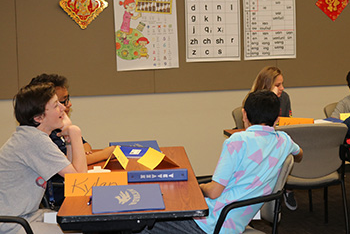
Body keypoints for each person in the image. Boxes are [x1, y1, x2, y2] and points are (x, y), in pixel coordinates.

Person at [138, 90, 303, 234]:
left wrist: (196, 188)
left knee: (141, 223)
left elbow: (214, 192)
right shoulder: (284, 141)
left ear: (244, 114)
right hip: (234, 222)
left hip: (212, 223)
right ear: (276, 119)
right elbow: (299, 154)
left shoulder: (238, 141)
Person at [0, 83, 87, 234]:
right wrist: (74, 131)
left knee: (78, 225)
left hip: (28, 215)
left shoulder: (31, 136)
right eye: (55, 105)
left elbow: (73, 174)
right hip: (12, 223)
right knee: (80, 228)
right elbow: (80, 182)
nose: (63, 108)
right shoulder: (34, 141)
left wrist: (68, 140)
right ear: (39, 117)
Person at [29, 73, 115, 208]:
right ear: (39, 113)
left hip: (66, 192)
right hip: (57, 198)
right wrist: (106, 153)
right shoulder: (39, 140)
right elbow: (78, 177)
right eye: (58, 103)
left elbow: (82, 148)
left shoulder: (54, 129)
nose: (66, 106)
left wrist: (79, 147)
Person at [250, 66, 296, 210]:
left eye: (282, 84)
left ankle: (286, 190)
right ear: (266, 85)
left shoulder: (284, 97)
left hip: (278, 139)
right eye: (277, 85)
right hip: (261, 143)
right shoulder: (253, 100)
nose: (282, 88)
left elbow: (287, 121)